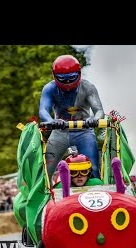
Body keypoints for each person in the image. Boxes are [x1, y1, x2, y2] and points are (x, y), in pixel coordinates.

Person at [39, 54, 104, 186]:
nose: (68, 82)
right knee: (46, 170)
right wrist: (52, 121)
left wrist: (94, 119)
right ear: (54, 75)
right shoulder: (49, 88)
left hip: (84, 131)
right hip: (59, 132)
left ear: (79, 73)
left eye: (72, 78)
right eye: (63, 78)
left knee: (94, 169)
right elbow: (43, 110)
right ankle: (43, 200)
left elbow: (99, 110)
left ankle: (97, 198)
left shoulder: (87, 87)